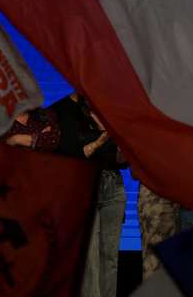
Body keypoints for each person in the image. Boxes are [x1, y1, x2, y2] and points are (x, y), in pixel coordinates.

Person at [53, 94, 126, 297]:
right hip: (85, 184)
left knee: (110, 257)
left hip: (113, 184)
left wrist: (125, 151)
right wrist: (99, 142)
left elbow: (120, 159)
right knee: (90, 258)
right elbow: (68, 154)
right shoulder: (62, 110)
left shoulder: (107, 109)